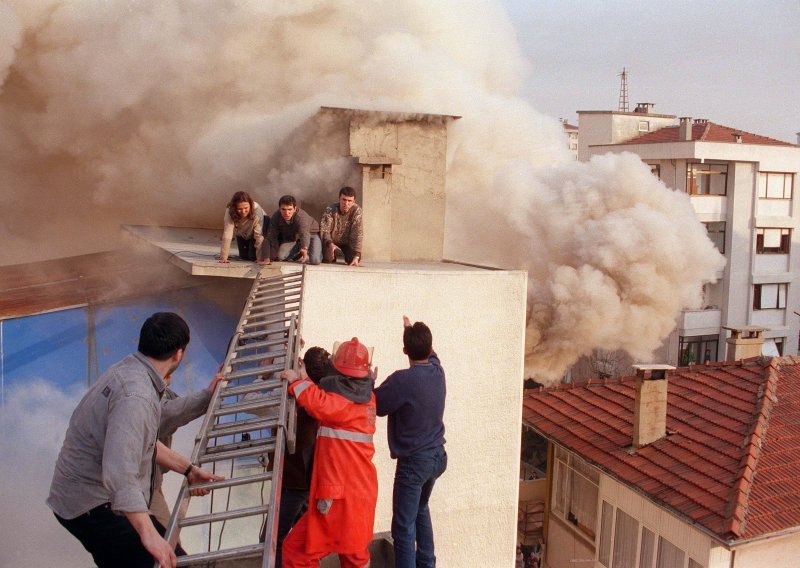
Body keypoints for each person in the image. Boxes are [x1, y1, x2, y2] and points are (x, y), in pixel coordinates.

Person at [47, 312, 224, 568]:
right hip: (92, 503)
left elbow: (155, 419)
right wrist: (148, 534)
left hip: (79, 497)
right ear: (179, 354)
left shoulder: (132, 371)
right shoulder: (136, 394)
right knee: (162, 559)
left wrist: (206, 398)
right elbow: (120, 470)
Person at [279, 338, 378, 568]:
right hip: (361, 494)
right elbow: (328, 398)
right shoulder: (368, 400)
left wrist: (297, 381)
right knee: (354, 553)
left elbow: (320, 402)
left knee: (296, 553)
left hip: (336, 498)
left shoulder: (340, 405)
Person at [373, 316, 447, 568]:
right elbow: (431, 352)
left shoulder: (402, 380)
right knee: (421, 508)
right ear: (429, 346)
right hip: (437, 457)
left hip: (415, 462)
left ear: (405, 350)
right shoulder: (437, 371)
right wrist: (411, 331)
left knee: (403, 527)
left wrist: (366, 381)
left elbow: (375, 404)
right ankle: (427, 563)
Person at [150, 370, 225, 543]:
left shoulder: (163, 391)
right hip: (131, 489)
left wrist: (190, 471)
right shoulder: (142, 392)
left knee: (169, 544)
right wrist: (207, 396)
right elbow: (168, 415)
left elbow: (178, 408)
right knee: (167, 546)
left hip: (150, 484)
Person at [266, 195, 322, 265]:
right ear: (279, 209)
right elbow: (271, 234)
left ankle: (317, 249)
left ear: (295, 208)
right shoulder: (276, 216)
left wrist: (304, 247)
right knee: (280, 256)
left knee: (315, 260)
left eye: (289, 209)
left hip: (311, 235)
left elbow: (304, 233)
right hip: (295, 238)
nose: (286, 213)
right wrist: (268, 254)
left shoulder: (301, 216)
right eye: (283, 209)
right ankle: (299, 249)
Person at [219, 191, 269, 264]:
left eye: (246, 208)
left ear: (250, 205)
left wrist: (260, 258)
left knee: (252, 256)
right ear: (234, 208)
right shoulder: (230, 210)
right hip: (242, 233)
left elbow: (259, 235)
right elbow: (227, 233)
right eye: (239, 209)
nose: (243, 211)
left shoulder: (257, 209)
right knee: (244, 256)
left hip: (255, 233)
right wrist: (224, 257)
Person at [320, 186, 364, 266]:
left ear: (354, 201)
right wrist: (330, 244)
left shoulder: (357, 211)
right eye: (344, 200)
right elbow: (325, 231)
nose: (346, 203)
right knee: (327, 259)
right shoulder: (330, 209)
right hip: (331, 242)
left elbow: (359, 233)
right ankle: (333, 255)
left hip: (347, 243)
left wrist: (357, 255)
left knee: (353, 259)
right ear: (339, 198)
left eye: (349, 201)